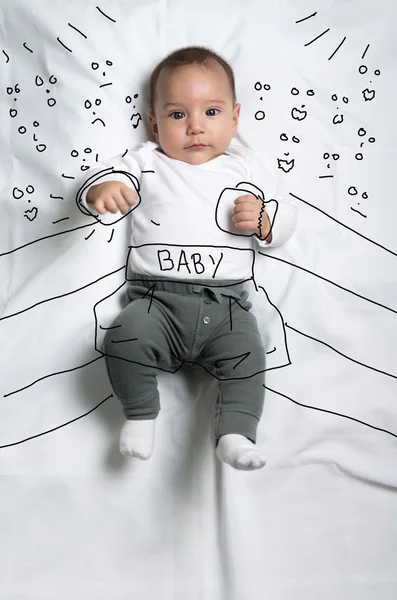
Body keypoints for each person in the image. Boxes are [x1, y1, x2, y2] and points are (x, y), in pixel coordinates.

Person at [78, 45, 297, 470]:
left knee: (249, 358)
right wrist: (99, 191)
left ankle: (235, 433)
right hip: (155, 303)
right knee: (123, 338)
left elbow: (286, 218)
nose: (196, 127)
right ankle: (140, 414)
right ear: (154, 123)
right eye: (178, 115)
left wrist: (266, 221)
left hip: (228, 306)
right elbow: (105, 179)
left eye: (211, 113)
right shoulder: (146, 161)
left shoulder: (246, 167)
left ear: (235, 118)